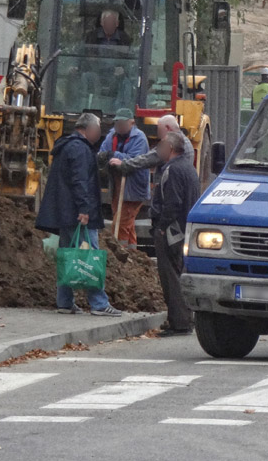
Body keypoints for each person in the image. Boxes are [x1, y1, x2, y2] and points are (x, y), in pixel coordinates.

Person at [36, 112, 122, 316]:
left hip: (65, 213)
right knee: (90, 255)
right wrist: (85, 210)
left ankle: (64, 302)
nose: (99, 135)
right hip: (79, 214)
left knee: (66, 255)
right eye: (98, 130)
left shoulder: (65, 146)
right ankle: (99, 304)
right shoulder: (80, 149)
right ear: (88, 129)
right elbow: (80, 181)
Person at [151, 132, 201, 335]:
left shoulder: (172, 170)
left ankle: (179, 323)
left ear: (170, 149)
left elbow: (172, 203)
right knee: (180, 273)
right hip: (184, 230)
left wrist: (162, 227)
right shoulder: (189, 168)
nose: (158, 150)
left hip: (172, 232)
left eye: (161, 146)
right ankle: (184, 319)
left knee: (171, 276)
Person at [98, 108, 149, 249]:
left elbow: (136, 159)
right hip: (117, 184)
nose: (118, 126)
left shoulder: (139, 138)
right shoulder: (111, 135)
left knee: (120, 223)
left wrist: (115, 155)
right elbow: (104, 151)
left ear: (131, 123)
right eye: (117, 123)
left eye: (121, 123)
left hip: (133, 187)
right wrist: (103, 156)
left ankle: (119, 252)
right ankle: (133, 253)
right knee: (127, 222)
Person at [109, 114, 194, 176]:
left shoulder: (171, 143)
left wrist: (124, 164)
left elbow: (149, 159)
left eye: (159, 129)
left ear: (167, 128)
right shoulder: (185, 141)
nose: (158, 133)